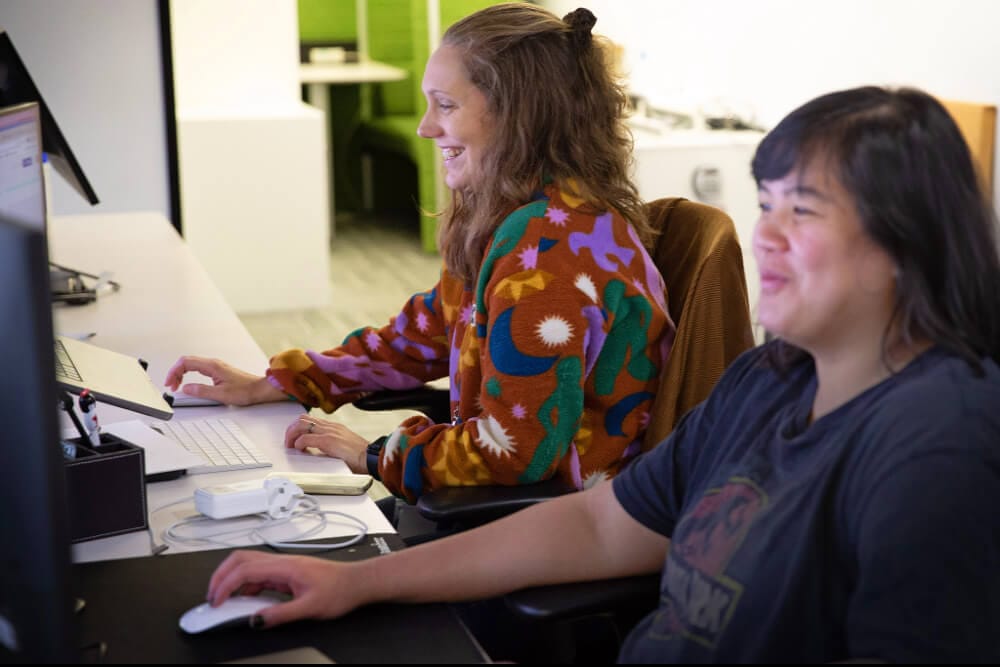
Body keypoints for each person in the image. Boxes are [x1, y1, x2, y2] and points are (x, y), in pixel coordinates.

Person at [200, 85, 1000, 663]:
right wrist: (357, 583)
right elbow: (601, 524)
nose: (767, 236)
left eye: (805, 211)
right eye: (767, 205)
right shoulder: (770, 379)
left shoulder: (938, 443)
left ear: (906, 245)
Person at [164, 3, 673, 503]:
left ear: (521, 116)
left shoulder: (543, 255)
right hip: (525, 501)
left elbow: (517, 453)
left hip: (555, 522)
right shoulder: (531, 216)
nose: (425, 127)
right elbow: (423, 332)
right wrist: (284, 382)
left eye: (446, 105)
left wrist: (376, 455)